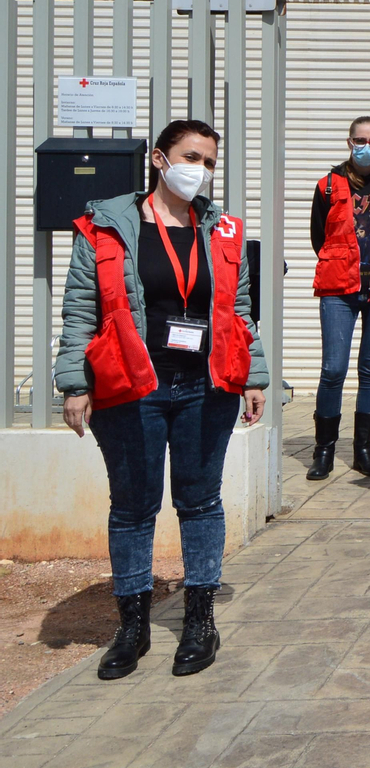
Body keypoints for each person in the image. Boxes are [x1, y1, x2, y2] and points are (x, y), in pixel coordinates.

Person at [55, 119, 268, 680]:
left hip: (206, 385)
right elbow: (81, 309)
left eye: (210, 161)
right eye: (190, 156)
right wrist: (75, 384)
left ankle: (200, 619)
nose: (199, 169)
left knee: (200, 503)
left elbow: (241, 308)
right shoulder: (105, 227)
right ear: (158, 159)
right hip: (131, 385)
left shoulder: (222, 230)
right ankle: (133, 626)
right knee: (132, 508)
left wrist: (255, 374)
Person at [306, 116, 370, 481]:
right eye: (361, 140)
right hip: (339, 287)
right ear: (349, 142)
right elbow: (319, 237)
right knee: (333, 369)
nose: (368, 146)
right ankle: (324, 450)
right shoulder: (328, 185)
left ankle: (364, 449)